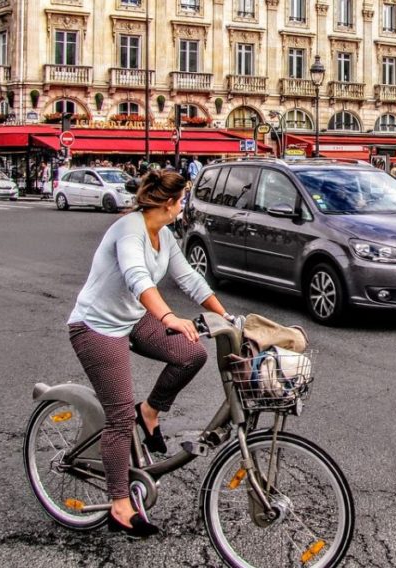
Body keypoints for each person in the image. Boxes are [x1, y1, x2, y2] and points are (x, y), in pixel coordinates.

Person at [66, 170, 231, 538]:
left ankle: (151, 411)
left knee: (191, 354)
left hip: (132, 319)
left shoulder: (165, 235)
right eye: (183, 199)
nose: (184, 205)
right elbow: (137, 277)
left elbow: (189, 277)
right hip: (95, 327)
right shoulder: (129, 230)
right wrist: (169, 316)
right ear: (170, 204)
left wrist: (225, 316)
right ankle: (119, 504)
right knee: (120, 417)